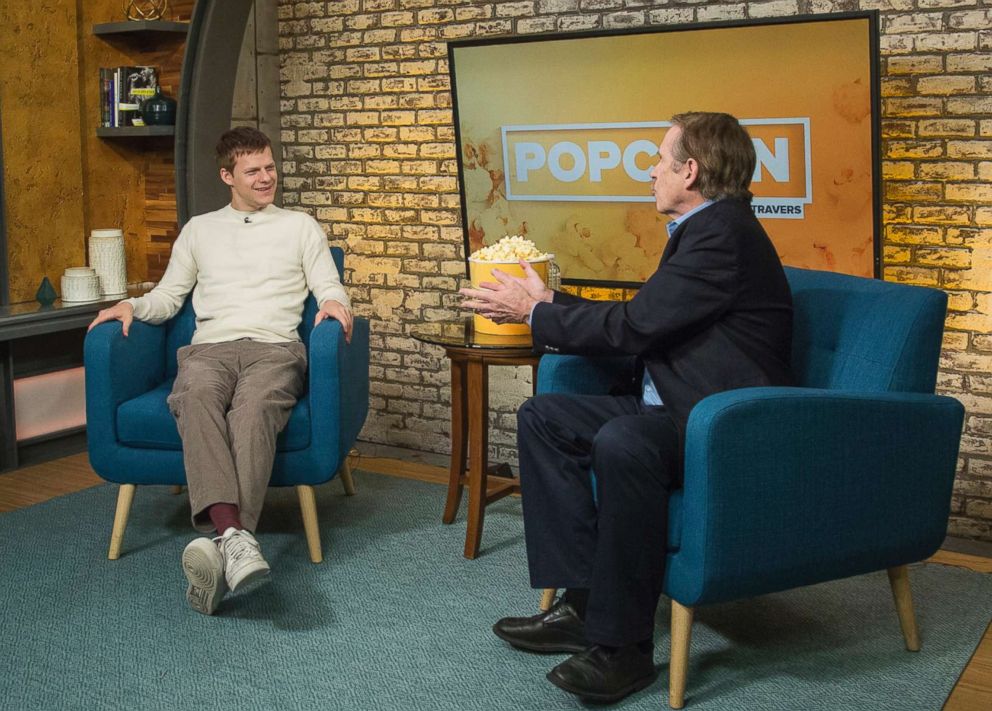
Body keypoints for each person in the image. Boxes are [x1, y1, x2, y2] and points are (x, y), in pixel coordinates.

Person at [460, 112, 794, 703]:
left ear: (690, 172)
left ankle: (624, 650)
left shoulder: (723, 235)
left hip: (718, 423)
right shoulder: (704, 229)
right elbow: (654, 318)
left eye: (659, 160)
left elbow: (635, 326)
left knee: (623, 442)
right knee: (545, 418)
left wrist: (535, 312)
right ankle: (584, 606)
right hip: (675, 406)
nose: (649, 170)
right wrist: (550, 301)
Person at [88, 127, 353, 616]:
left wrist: (336, 305)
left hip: (274, 349)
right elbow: (169, 296)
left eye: (270, 167)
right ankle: (235, 539)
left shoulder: (300, 226)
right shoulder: (199, 230)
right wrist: (132, 305)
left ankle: (224, 536)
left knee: (253, 411)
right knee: (192, 400)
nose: (266, 177)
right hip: (208, 350)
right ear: (227, 175)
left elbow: (328, 283)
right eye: (253, 171)